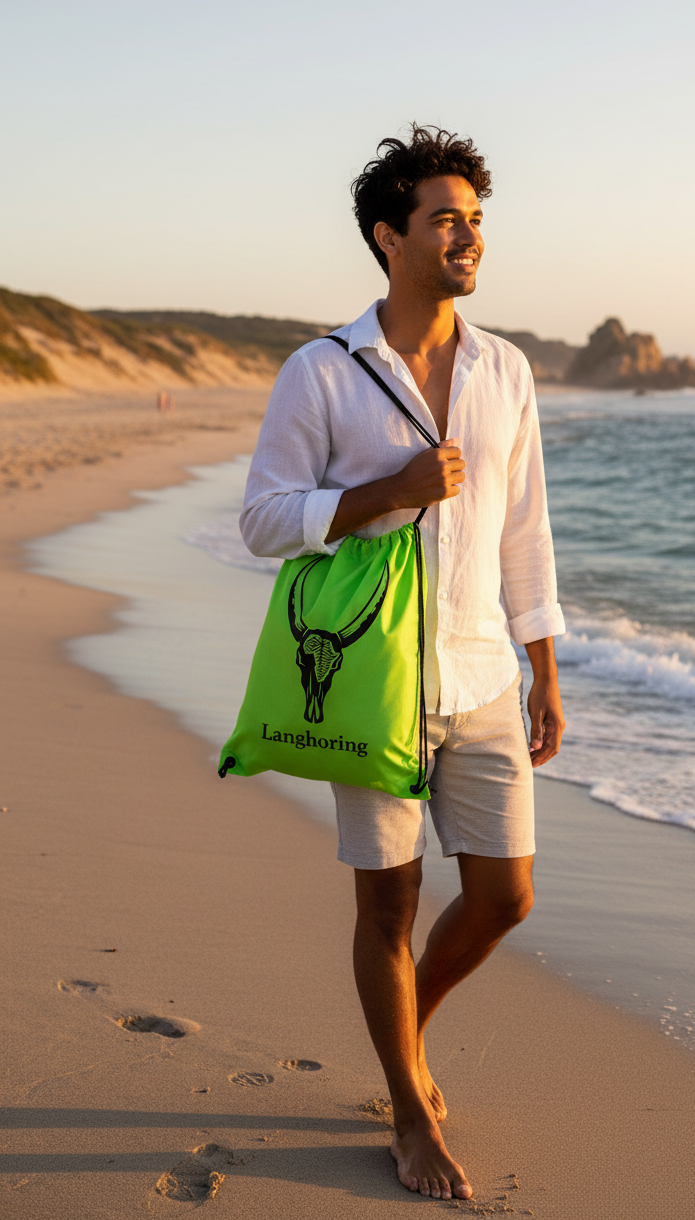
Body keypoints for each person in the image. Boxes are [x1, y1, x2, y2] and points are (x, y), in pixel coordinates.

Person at [241, 125, 566, 1201]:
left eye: (476, 219)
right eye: (445, 218)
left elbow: (526, 529)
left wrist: (544, 668)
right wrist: (389, 492)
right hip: (370, 682)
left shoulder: (503, 367)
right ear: (390, 237)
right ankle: (408, 1109)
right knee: (385, 907)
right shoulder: (323, 372)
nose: (468, 235)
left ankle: (404, 1038)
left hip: (480, 677)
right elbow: (264, 521)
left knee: (505, 896)